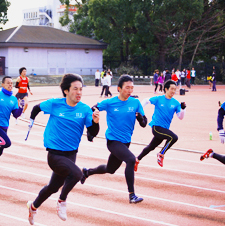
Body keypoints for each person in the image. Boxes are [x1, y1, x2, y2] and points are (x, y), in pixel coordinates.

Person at [26, 73, 100, 225]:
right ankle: (62, 201)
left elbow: (91, 134)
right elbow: (36, 108)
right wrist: (31, 122)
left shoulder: (85, 110)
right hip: (54, 154)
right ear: (66, 91)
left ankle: (33, 206)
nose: (79, 92)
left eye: (81, 89)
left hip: (71, 154)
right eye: (75, 89)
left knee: (52, 187)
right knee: (77, 174)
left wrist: (96, 122)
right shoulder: (55, 104)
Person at [80, 75, 147, 204]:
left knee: (110, 169)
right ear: (119, 88)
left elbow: (144, 123)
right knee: (131, 160)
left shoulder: (135, 103)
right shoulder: (110, 102)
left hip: (126, 141)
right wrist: (91, 128)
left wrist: (140, 119)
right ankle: (132, 195)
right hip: (113, 141)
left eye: (132, 88)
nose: (130, 91)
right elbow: (92, 108)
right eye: (127, 88)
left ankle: (87, 172)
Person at [136, 80, 186, 168]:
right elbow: (146, 100)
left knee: (151, 147)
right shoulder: (159, 99)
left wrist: (183, 109)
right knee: (173, 137)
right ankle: (161, 154)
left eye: (175, 89)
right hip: (156, 127)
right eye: (172, 89)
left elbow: (181, 117)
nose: (173, 91)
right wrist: (139, 111)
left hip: (164, 129)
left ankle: (137, 159)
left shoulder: (176, 103)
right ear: (166, 89)